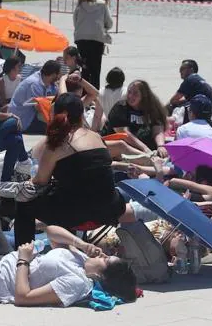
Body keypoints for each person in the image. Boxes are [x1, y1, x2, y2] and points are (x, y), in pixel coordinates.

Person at [0, 196, 137, 306]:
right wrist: (80, 244)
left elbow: (24, 297)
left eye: (108, 260)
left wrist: (24, 260)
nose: (105, 255)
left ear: (100, 275)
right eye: (109, 254)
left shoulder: (77, 283)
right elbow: (52, 231)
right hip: (7, 260)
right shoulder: (82, 258)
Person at [14, 93, 128, 247]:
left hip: (76, 214)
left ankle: (22, 255)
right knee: (72, 191)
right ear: (82, 115)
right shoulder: (96, 136)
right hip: (111, 209)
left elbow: (40, 181)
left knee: (24, 202)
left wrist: (22, 185)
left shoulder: (56, 143)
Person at [105, 80, 169, 157]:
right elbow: (124, 134)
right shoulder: (120, 107)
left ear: (144, 95)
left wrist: (161, 146)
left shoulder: (152, 108)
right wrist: (145, 149)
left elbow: (158, 130)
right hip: (125, 150)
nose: (130, 96)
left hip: (149, 150)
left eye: (135, 93)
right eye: (129, 92)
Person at [73, 0, 113, 89]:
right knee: (95, 69)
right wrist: (103, 28)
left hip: (81, 39)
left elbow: (75, 22)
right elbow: (109, 23)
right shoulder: (103, 4)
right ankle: (94, 95)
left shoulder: (80, 4)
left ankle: (84, 92)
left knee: (85, 67)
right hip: (97, 40)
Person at [9, 60, 61, 134]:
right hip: (22, 119)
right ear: (53, 74)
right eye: (58, 74)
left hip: (31, 116)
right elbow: (39, 108)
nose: (59, 76)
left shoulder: (49, 83)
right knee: (56, 130)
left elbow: (56, 97)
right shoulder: (34, 84)